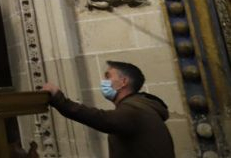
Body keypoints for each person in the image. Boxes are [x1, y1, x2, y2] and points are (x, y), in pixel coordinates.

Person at [40, 61, 173, 158]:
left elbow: (100, 118)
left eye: (108, 76)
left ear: (123, 82)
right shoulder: (140, 105)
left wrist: (58, 98)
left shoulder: (136, 109)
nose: (103, 81)